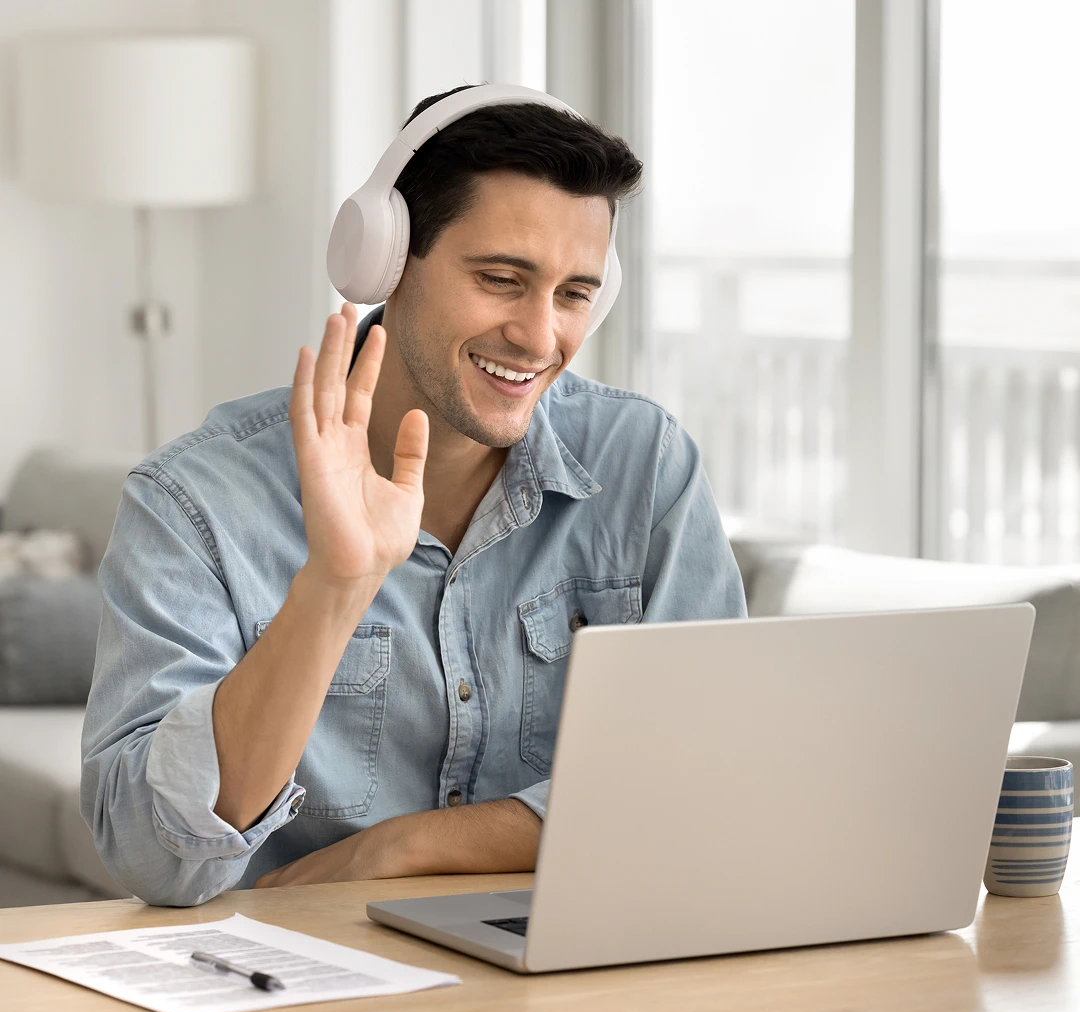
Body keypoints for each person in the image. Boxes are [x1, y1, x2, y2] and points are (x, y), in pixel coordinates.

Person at [81, 84, 746, 907]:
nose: (540, 337)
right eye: (501, 279)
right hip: (296, 971)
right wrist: (334, 588)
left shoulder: (645, 464)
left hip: (571, 952)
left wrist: (405, 848)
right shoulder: (194, 503)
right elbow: (154, 861)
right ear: (386, 261)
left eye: (574, 294)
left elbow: (710, 775)